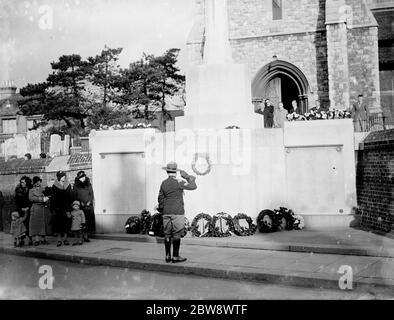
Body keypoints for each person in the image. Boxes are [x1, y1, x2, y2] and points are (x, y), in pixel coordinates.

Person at [158, 161, 197, 263]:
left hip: (166, 212)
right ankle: (175, 256)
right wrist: (187, 177)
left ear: (167, 171)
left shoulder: (164, 183)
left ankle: (167, 256)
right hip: (177, 212)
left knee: (167, 234)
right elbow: (193, 186)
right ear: (176, 171)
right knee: (176, 234)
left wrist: (162, 208)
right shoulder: (179, 182)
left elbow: (160, 198)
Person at [72, 171, 95, 242]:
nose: (83, 179)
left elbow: (91, 194)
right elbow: (74, 196)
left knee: (87, 221)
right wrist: (79, 203)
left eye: (83, 177)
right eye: (81, 178)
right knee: (80, 222)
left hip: (88, 206)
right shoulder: (76, 185)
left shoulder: (88, 184)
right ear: (78, 178)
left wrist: (89, 202)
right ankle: (81, 237)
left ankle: (86, 235)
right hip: (80, 206)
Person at [51, 171, 72, 247]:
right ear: (59, 177)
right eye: (62, 176)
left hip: (66, 208)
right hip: (58, 209)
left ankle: (65, 239)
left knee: (66, 225)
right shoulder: (55, 186)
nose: (64, 177)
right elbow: (53, 199)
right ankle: (59, 240)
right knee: (58, 226)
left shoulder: (68, 185)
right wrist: (53, 208)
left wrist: (69, 209)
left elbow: (70, 197)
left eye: (64, 176)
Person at [29, 176, 50, 246]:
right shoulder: (31, 190)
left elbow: (45, 196)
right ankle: (37, 240)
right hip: (35, 208)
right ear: (34, 183)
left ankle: (43, 239)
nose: (39, 183)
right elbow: (31, 198)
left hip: (42, 208)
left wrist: (46, 199)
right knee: (36, 224)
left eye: (39, 182)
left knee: (43, 224)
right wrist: (41, 199)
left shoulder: (42, 189)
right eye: (37, 182)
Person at [15, 176, 33, 245]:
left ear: (27, 182)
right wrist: (21, 208)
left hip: (28, 209)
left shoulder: (30, 189)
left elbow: (31, 200)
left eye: (23, 182)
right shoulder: (18, 189)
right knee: (21, 224)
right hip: (21, 209)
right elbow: (16, 201)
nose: (22, 183)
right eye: (21, 182)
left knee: (28, 224)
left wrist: (28, 207)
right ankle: (22, 239)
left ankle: (30, 239)